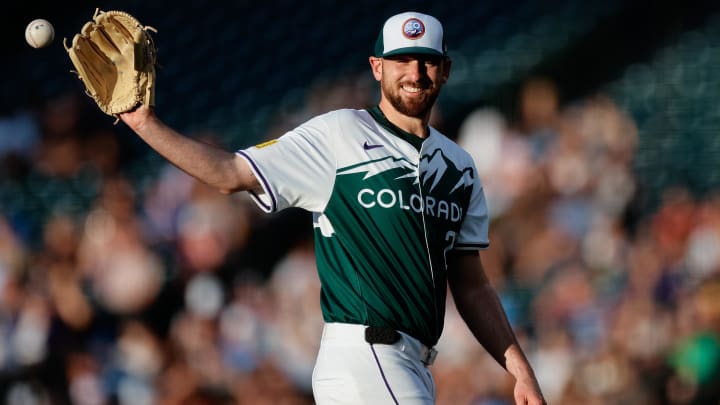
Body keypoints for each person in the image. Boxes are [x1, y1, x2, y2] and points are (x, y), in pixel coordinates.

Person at [119, 11, 546, 405]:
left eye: (426, 60)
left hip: (413, 364)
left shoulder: (460, 168)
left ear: (445, 69)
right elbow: (231, 172)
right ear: (377, 67)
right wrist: (145, 124)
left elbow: (471, 285)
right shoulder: (340, 134)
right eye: (401, 60)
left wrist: (519, 368)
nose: (414, 73)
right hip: (365, 355)